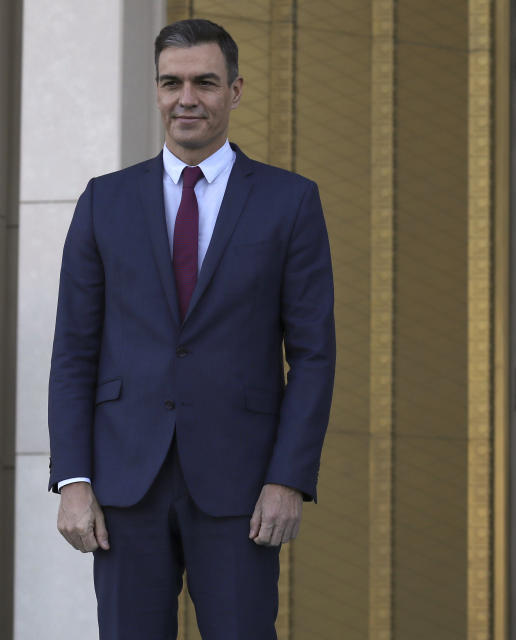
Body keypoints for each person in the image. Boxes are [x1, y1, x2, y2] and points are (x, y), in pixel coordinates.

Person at [48, 19, 335, 640]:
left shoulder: (290, 202)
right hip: (124, 489)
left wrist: (289, 477)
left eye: (205, 82)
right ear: (155, 91)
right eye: (171, 82)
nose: (187, 98)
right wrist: (73, 479)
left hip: (243, 490)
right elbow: (74, 350)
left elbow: (313, 356)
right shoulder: (104, 201)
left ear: (234, 90)